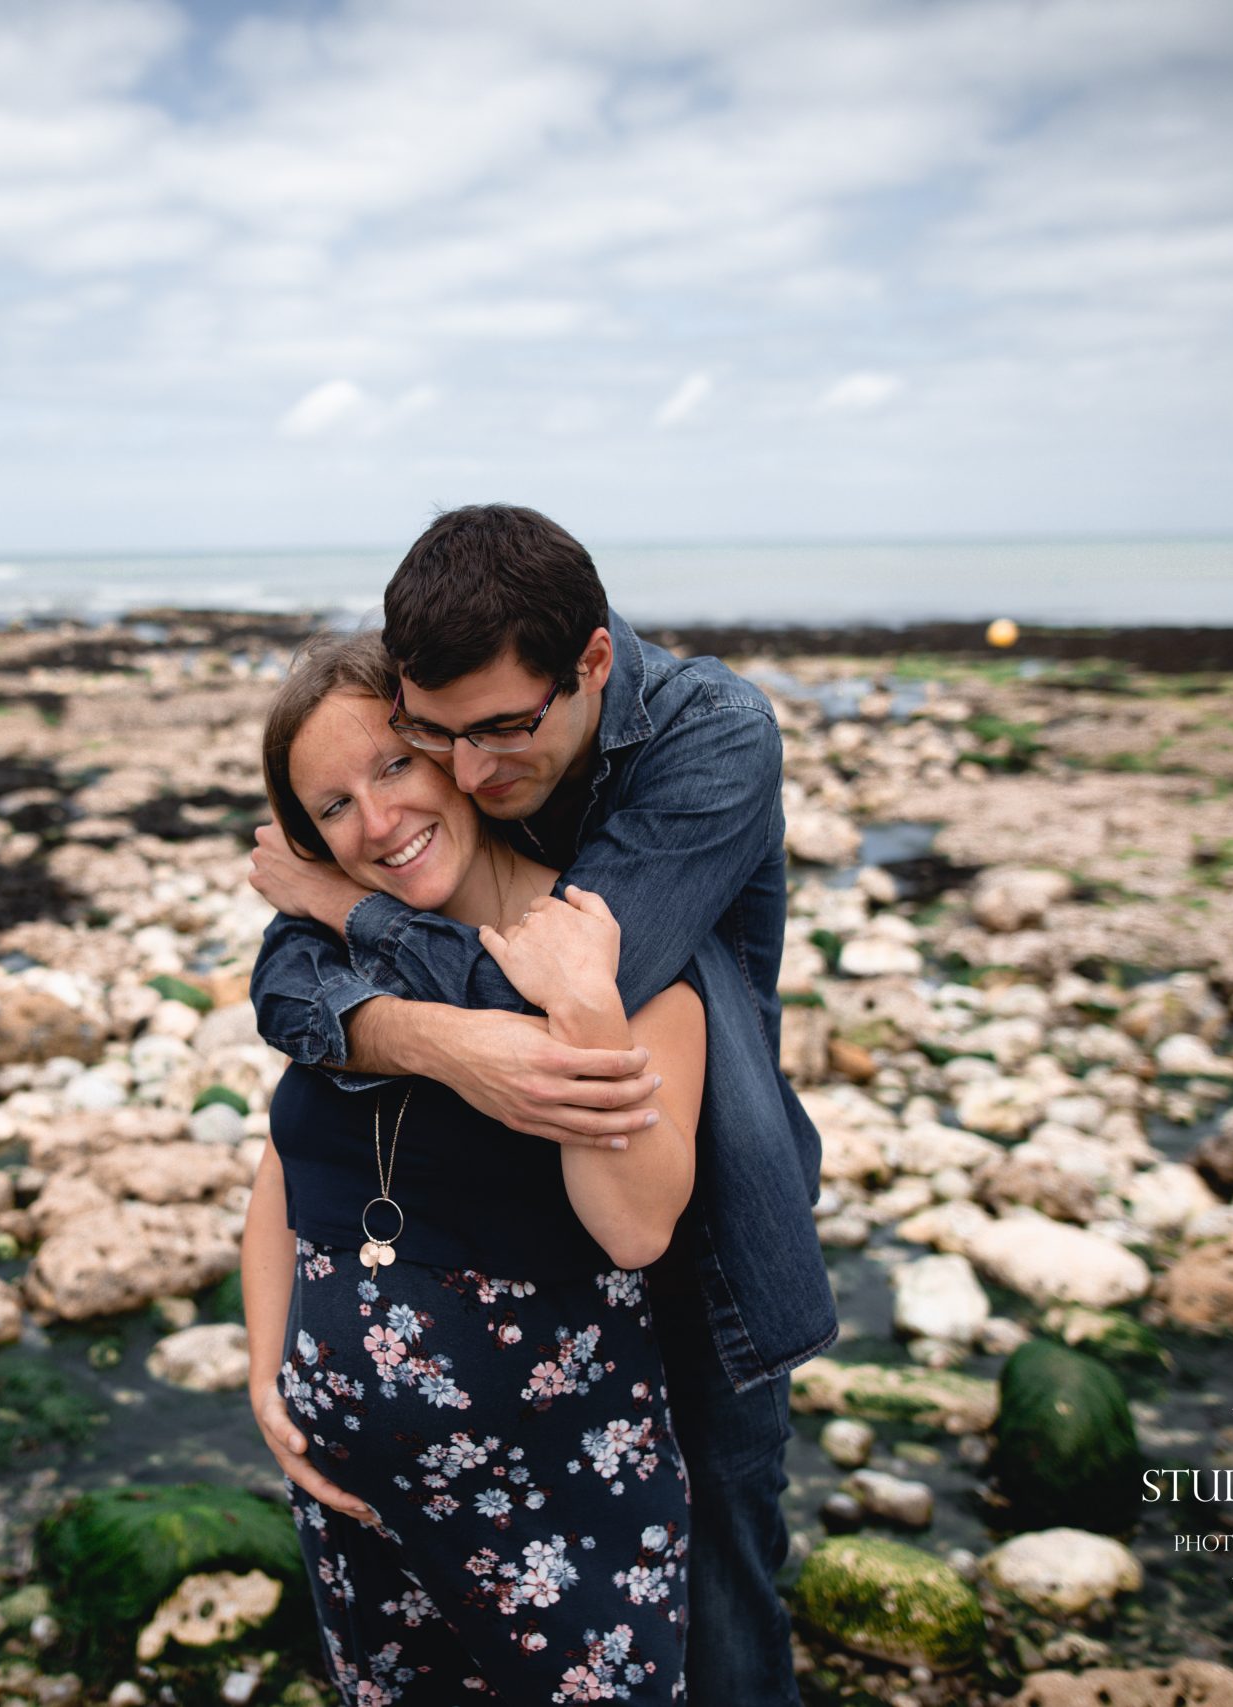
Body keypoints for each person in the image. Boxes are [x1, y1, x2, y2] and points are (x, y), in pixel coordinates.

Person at [247, 505, 839, 1705]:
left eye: (502, 735)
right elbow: (284, 995)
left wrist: (357, 926)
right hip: (464, 1372)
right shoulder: (429, 780)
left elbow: (570, 980)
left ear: (592, 665)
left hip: (695, 1212)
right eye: (433, 735)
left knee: (716, 1578)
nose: (472, 773)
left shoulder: (707, 739)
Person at [243, 630, 706, 1702]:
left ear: (451, 748)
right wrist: (269, 1377)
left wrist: (585, 1006)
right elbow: (281, 1178)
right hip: (353, 1506)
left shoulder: (615, 955)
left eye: (394, 766)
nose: (379, 821)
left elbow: (635, 1227)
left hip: (560, 1521)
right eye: (333, 807)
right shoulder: (332, 977)